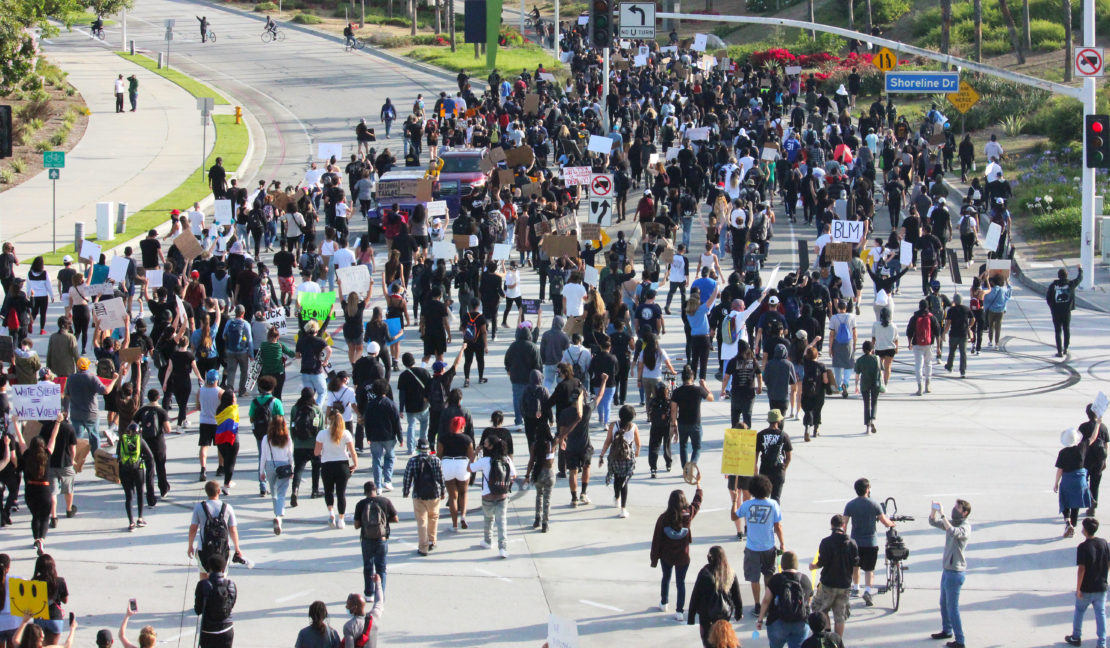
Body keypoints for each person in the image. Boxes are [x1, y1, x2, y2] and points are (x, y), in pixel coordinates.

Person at [650, 481, 703, 621]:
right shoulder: (688, 515)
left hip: (666, 556)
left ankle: (664, 602)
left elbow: (656, 539)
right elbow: (697, 503)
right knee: (681, 583)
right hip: (683, 556)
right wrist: (698, 486)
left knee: (666, 578)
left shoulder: (663, 518)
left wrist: (654, 559)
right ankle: (679, 611)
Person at [731, 475, 783, 615]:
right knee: (768, 575)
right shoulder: (773, 504)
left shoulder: (747, 505)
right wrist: (782, 543)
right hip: (768, 547)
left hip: (752, 548)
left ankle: (757, 605)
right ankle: (769, 604)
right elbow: (778, 526)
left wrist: (735, 500)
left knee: (754, 578)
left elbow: (734, 516)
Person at [844, 478, 896, 605]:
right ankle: (867, 590)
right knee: (869, 569)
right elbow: (884, 522)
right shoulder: (874, 504)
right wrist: (892, 523)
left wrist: (844, 538)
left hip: (855, 542)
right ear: (867, 489)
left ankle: (856, 587)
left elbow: (844, 524)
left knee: (855, 566)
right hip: (871, 542)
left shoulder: (850, 505)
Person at [929, 498, 972, 648]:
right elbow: (933, 522)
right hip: (947, 570)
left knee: (953, 608)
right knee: (943, 603)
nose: (954, 509)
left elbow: (953, 532)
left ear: (965, 512)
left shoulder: (965, 527)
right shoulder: (952, 522)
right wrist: (933, 511)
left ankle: (960, 640)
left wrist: (942, 514)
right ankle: (947, 630)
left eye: (958, 508)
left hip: (955, 572)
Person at [809, 515, 859, 638]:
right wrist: (854, 582)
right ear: (844, 525)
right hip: (844, 584)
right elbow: (856, 565)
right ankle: (837, 642)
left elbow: (822, 562)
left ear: (831, 525)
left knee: (821, 608)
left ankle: (826, 635)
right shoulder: (852, 543)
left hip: (828, 583)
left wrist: (813, 566)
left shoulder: (826, 542)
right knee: (840, 616)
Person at [687, 545, 744, 647]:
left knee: (708, 642)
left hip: (706, 616)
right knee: (724, 639)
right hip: (724, 614)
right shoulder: (730, 572)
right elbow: (737, 594)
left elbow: (696, 595)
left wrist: (691, 617)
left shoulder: (704, 573)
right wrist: (738, 612)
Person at [755, 551, 813, 648]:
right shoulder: (805, 579)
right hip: (800, 622)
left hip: (778, 621)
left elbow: (766, 601)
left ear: (782, 564)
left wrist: (760, 620)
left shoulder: (775, 579)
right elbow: (808, 601)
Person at [470, 435, 516, 558]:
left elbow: (469, 468)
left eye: (485, 444)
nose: (483, 446)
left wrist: (475, 453)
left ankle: (488, 541)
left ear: (490, 447)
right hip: (502, 495)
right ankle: (503, 548)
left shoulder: (485, 460)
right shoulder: (506, 459)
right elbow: (514, 475)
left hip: (487, 496)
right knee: (502, 522)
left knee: (488, 519)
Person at [1067, 517, 1109, 647]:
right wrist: (1105, 578)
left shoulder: (1083, 547)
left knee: (1079, 612)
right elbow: (1108, 563)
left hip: (1086, 588)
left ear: (1085, 530)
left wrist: (1078, 588)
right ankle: (1102, 642)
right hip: (1101, 587)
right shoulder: (1104, 543)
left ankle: (1076, 637)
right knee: (1100, 614)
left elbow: (1082, 569)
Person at [187, 481, 243, 579]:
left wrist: (190, 546)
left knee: (204, 574)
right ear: (219, 491)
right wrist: (237, 548)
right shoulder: (228, 508)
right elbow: (233, 530)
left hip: (203, 548)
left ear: (206, 492)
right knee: (221, 575)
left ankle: (205, 589)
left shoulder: (199, 507)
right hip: (223, 548)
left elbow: (193, 529)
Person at [316, 408, 358, 529]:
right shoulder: (346, 433)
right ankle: (341, 519)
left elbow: (316, 452)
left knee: (328, 491)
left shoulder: (322, 434)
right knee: (341, 493)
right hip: (342, 465)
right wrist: (355, 464)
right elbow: (352, 452)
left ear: (329, 420)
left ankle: (331, 512)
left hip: (327, 465)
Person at [401, 438, 444, 555]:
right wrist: (443, 491)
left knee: (422, 521)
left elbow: (407, 477)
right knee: (433, 517)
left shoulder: (413, 461)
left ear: (417, 448)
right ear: (429, 448)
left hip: (418, 494)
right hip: (434, 494)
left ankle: (423, 547)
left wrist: (406, 491)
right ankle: (432, 541)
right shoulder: (436, 460)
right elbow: (440, 477)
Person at [598, 404, 641, 518]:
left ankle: (617, 497)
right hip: (627, 458)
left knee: (617, 478)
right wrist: (637, 452)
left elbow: (608, 441)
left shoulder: (613, 425)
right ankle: (623, 509)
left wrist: (602, 455)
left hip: (615, 457)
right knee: (624, 482)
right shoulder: (633, 427)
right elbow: (638, 443)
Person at [670, 365, 714, 469]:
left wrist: (674, 424)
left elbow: (673, 409)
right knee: (697, 448)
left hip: (682, 423)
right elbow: (711, 398)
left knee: (683, 446)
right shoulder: (698, 390)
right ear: (692, 377)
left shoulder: (677, 392)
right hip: (695, 423)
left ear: (682, 378)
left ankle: (685, 470)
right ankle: (692, 465)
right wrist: (704, 386)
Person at [437, 415, 474, 531]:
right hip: (462, 464)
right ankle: (463, 516)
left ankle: (454, 525)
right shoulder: (467, 439)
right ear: (462, 426)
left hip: (447, 464)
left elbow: (439, 455)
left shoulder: (443, 438)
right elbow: (471, 456)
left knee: (453, 496)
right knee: (463, 493)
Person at [259, 415, 294, 534]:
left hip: (270, 465)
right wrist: (292, 468)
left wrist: (261, 471)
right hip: (284, 465)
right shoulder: (287, 438)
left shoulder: (266, 438)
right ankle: (279, 516)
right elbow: (290, 455)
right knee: (281, 492)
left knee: (273, 492)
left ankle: (276, 514)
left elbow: (263, 456)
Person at [193, 554, 237, 648]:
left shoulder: (203, 585)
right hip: (227, 629)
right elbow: (231, 605)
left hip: (208, 631)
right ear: (223, 569)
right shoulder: (230, 585)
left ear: (209, 568)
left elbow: (198, 610)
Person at [1058, 427, 1094, 538]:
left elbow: (1060, 470)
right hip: (1080, 480)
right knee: (1076, 503)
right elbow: (1092, 438)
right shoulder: (1081, 448)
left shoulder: (1062, 452)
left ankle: (1068, 523)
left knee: (1065, 502)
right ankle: (1073, 525)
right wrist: (1098, 424)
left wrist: (1056, 483)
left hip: (1067, 480)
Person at [1047, 265, 1083, 357]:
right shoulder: (1071, 284)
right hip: (1066, 312)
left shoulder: (1053, 286)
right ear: (1066, 276)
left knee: (1058, 331)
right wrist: (1080, 269)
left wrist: (1053, 308)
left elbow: (1048, 299)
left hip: (1056, 312)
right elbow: (1080, 278)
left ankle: (1059, 351)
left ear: (1058, 276)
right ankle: (1066, 348)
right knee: (1066, 330)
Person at [906, 299, 940, 395]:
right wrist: (938, 347)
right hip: (929, 344)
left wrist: (909, 343)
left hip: (917, 344)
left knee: (918, 365)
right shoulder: (932, 317)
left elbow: (909, 331)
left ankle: (919, 387)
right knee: (928, 364)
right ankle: (927, 385)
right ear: (928, 306)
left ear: (919, 306)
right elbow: (937, 333)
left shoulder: (914, 317)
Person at [757, 410, 792, 502]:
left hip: (764, 469)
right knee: (776, 499)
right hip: (778, 470)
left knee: (762, 498)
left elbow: (755, 454)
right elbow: (789, 458)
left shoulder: (761, 434)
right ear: (779, 421)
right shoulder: (784, 435)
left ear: (768, 420)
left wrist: (755, 469)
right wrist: (784, 469)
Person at [853, 341, 882, 434]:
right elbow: (880, 372)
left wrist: (856, 386)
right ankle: (872, 419)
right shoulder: (877, 359)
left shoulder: (860, 360)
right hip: (875, 383)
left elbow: (857, 375)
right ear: (872, 349)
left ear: (863, 349)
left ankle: (867, 426)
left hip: (865, 383)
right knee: (874, 402)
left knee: (866, 404)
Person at [342, 584, 384, 648]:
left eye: (348, 605)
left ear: (354, 608)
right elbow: (379, 601)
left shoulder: (349, 626)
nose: (346, 607)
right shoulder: (375, 616)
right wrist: (378, 583)